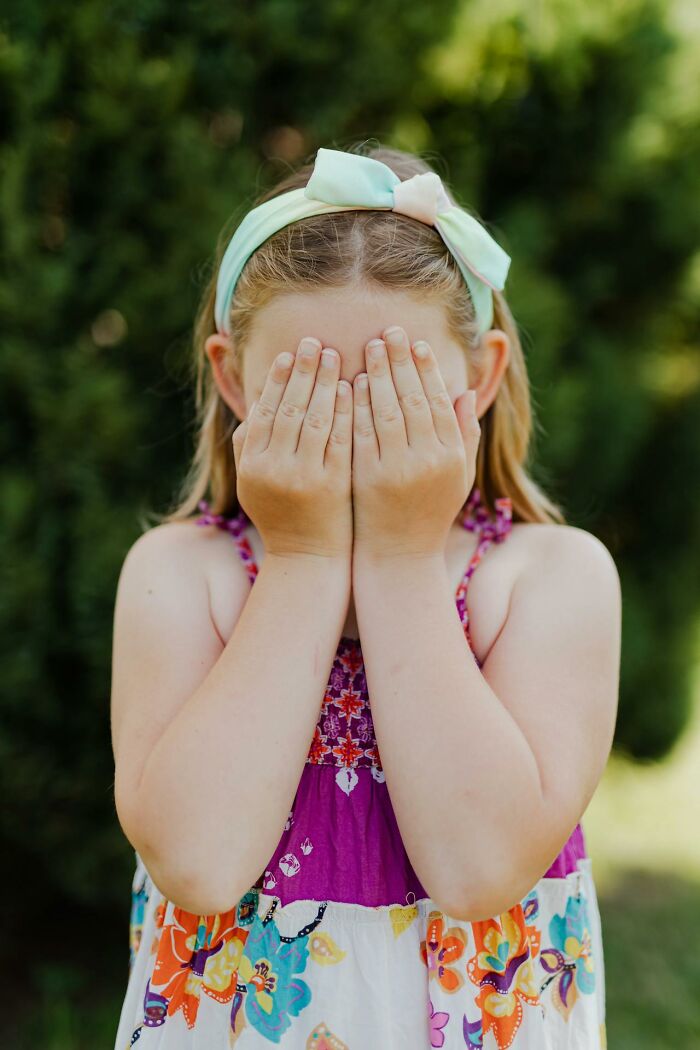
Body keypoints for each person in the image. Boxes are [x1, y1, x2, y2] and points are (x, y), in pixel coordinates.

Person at [110, 144, 620, 1050]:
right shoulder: (182, 575)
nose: (354, 426)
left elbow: (477, 869)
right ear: (233, 380)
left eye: (399, 393)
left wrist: (397, 557)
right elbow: (197, 861)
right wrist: (305, 557)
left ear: (480, 378)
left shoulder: (552, 579)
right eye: (306, 391)